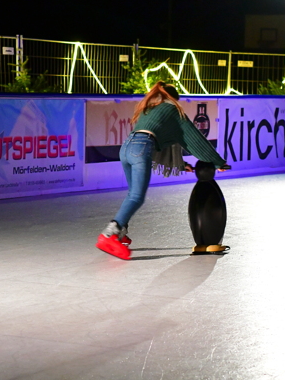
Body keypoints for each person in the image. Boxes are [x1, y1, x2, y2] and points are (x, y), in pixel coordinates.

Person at [96, 81, 228, 260]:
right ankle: (109, 234)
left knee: (131, 194)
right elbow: (193, 138)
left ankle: (121, 232)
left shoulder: (151, 107)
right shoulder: (173, 109)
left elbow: (155, 142)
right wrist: (217, 161)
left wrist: (180, 165)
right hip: (140, 148)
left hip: (126, 148)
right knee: (136, 197)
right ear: (173, 98)